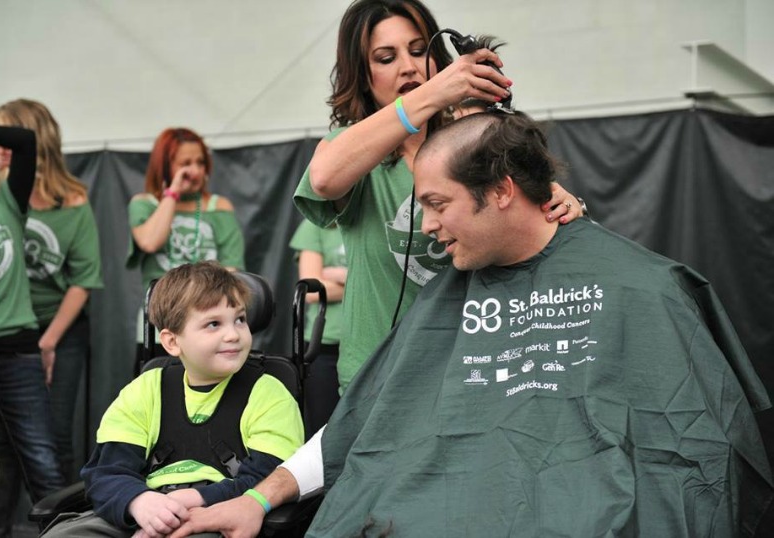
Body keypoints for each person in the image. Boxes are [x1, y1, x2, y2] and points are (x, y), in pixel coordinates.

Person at [171, 112, 773, 537]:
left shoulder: (645, 288)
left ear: (502, 191)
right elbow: (358, 429)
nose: (426, 226)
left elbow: (703, 451)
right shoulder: (445, 301)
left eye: (437, 204)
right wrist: (256, 498)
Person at [293, 0, 585, 392]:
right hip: (383, 383)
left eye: (418, 51)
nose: (408, 67)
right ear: (363, 75)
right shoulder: (349, 150)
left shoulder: (476, 139)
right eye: (385, 57)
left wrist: (556, 201)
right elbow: (325, 178)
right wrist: (435, 93)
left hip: (481, 371)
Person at [41, 261, 303, 537]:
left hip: (222, 512)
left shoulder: (269, 393)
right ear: (172, 342)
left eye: (240, 319)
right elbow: (105, 472)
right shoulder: (145, 389)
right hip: (146, 507)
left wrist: (195, 499)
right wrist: (139, 502)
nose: (233, 334)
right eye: (213, 324)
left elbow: (270, 481)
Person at [0, 98, 104, 484]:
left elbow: (84, 279)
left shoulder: (73, 200)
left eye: (5, 137)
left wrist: (49, 341)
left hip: (60, 328)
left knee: (55, 434)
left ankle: (62, 524)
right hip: (3, 331)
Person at [0, 123, 66, 537]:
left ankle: (67, 531)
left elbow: (26, 141)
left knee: (41, 458)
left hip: (18, 350)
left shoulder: (5, 201)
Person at [127, 127, 246, 366]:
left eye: (200, 162)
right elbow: (149, 241)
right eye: (185, 163)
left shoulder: (218, 206)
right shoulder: (145, 204)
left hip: (208, 330)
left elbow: (233, 269)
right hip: (159, 329)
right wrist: (172, 194)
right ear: (164, 165)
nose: (195, 171)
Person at [289, 219, 347, 435]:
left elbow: (388, 282)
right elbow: (312, 291)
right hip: (324, 346)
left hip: (372, 343)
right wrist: (360, 280)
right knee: (321, 430)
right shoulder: (315, 225)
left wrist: (342, 276)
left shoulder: (377, 220)